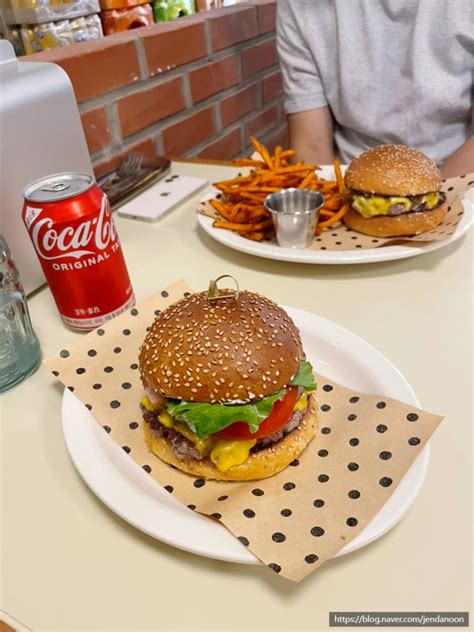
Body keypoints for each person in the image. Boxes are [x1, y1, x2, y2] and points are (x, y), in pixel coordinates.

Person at [277, 0, 474, 177]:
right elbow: (311, 148)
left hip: (456, 176)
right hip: (351, 183)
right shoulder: (300, 5)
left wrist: (427, 201)